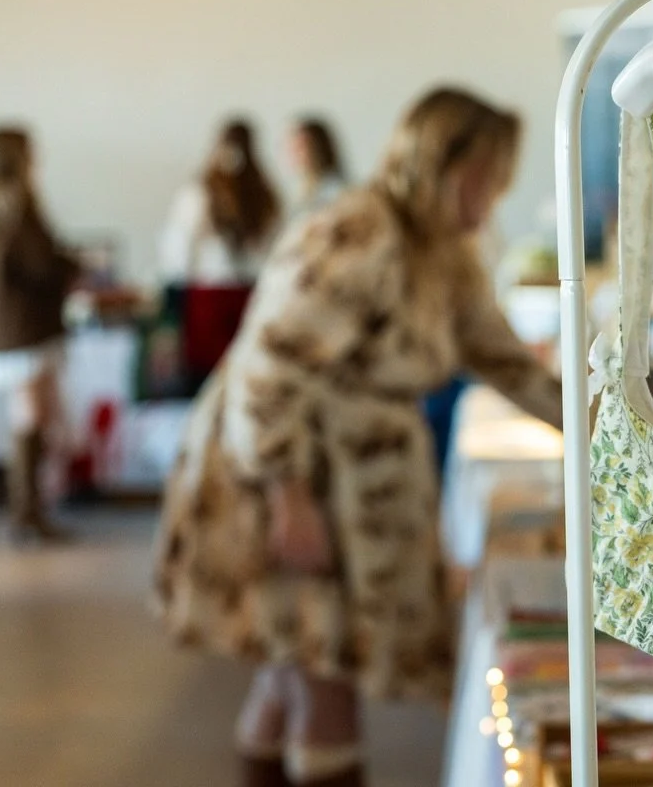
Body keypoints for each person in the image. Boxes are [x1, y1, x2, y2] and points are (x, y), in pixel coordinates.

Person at [153, 88, 563, 787]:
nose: (493, 198)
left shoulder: (440, 249)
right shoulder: (361, 230)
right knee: (321, 677)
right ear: (442, 163)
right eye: (487, 178)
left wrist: (601, 422)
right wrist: (288, 497)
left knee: (289, 679)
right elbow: (269, 367)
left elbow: (499, 357)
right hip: (295, 475)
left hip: (342, 477)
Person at [0, 127, 80, 542]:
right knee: (31, 416)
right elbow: (39, 265)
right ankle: (26, 512)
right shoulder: (16, 208)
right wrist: (72, 263)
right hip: (24, 328)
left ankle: (30, 510)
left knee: (34, 415)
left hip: (11, 325)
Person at [159, 118, 281, 284]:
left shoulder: (263, 195)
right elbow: (183, 241)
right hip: (209, 285)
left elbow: (271, 243)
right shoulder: (201, 192)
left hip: (248, 282)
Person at [286, 117, 347, 221]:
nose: (293, 153)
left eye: (301, 147)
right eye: (291, 146)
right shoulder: (296, 193)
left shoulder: (336, 191)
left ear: (319, 149)